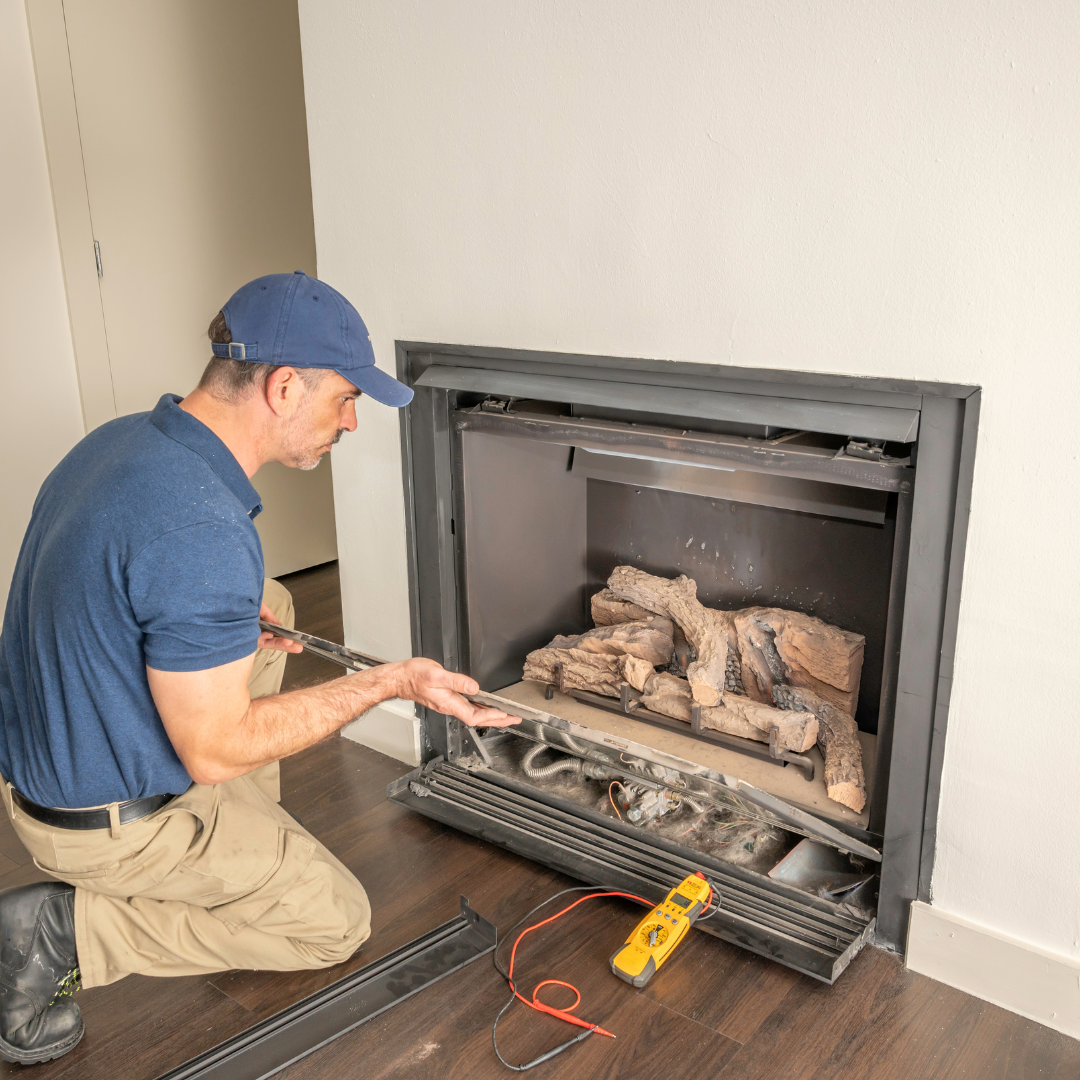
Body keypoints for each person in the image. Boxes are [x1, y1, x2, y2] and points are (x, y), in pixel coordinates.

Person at [0, 271, 518, 1065]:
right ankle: (64, 931)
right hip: (102, 829)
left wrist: (217, 627)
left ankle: (241, 839)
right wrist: (387, 681)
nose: (349, 422)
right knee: (333, 922)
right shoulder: (199, 528)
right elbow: (210, 749)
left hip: (45, 760)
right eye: (345, 398)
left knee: (269, 597)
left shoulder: (123, 442)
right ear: (282, 387)